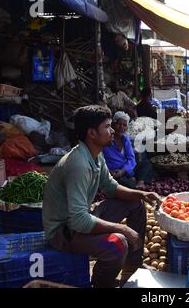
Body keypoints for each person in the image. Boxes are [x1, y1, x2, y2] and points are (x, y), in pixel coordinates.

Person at [42, 105, 160, 288]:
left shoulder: (96, 155)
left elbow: (111, 187)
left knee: (135, 203)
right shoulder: (78, 164)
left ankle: (131, 268)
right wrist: (123, 229)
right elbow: (79, 221)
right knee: (118, 243)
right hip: (63, 232)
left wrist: (142, 194)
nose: (112, 130)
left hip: (79, 219)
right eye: (107, 126)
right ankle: (100, 284)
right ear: (92, 133)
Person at [102, 111, 153, 190]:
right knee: (121, 182)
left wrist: (124, 170)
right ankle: (136, 186)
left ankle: (140, 182)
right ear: (113, 124)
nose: (121, 127)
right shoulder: (105, 140)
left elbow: (131, 159)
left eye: (124, 125)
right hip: (115, 173)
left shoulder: (126, 139)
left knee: (146, 164)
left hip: (126, 170)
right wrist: (111, 172)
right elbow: (101, 160)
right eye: (119, 124)